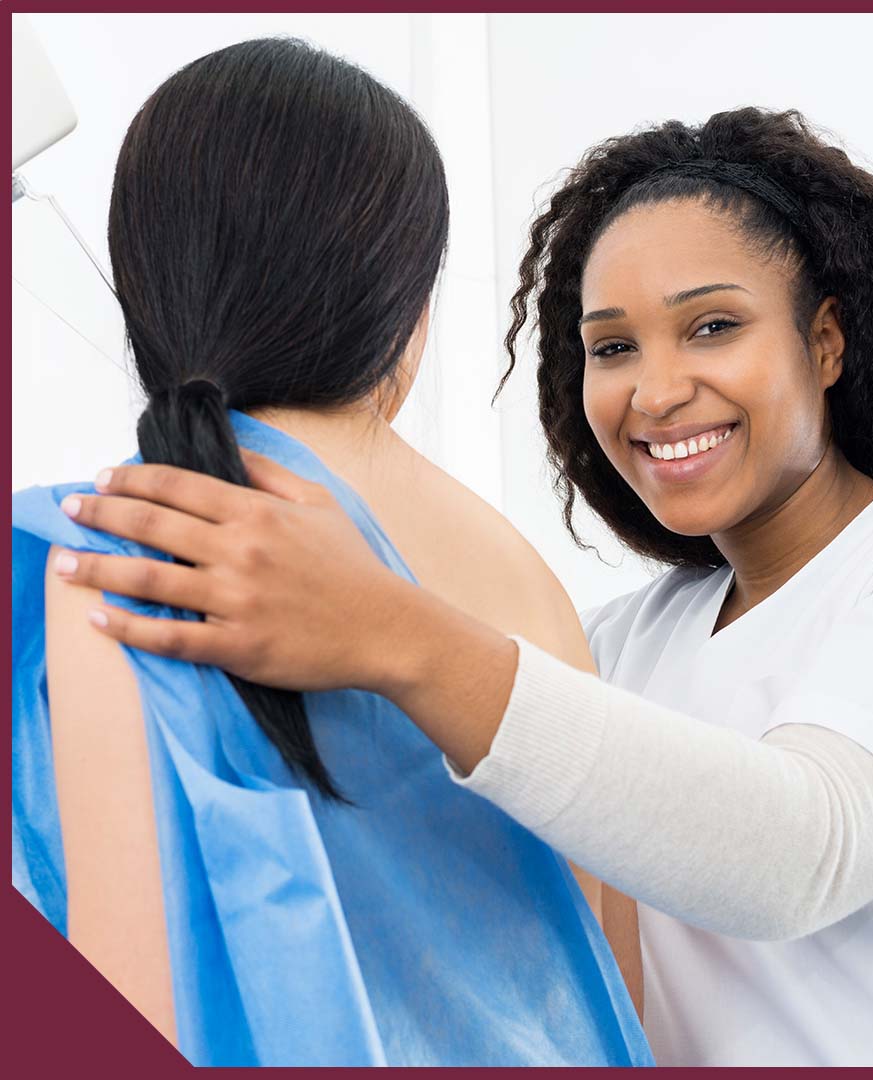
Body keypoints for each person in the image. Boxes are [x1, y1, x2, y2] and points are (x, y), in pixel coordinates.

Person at [53, 107, 873, 1066]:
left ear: (827, 340)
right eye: (613, 347)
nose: (657, 390)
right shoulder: (622, 647)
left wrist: (392, 630)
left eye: (712, 327)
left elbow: (808, 850)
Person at [12, 38, 653, 1067]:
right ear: (407, 313)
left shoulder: (114, 559)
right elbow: (608, 977)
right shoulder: (521, 573)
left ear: (149, 287)